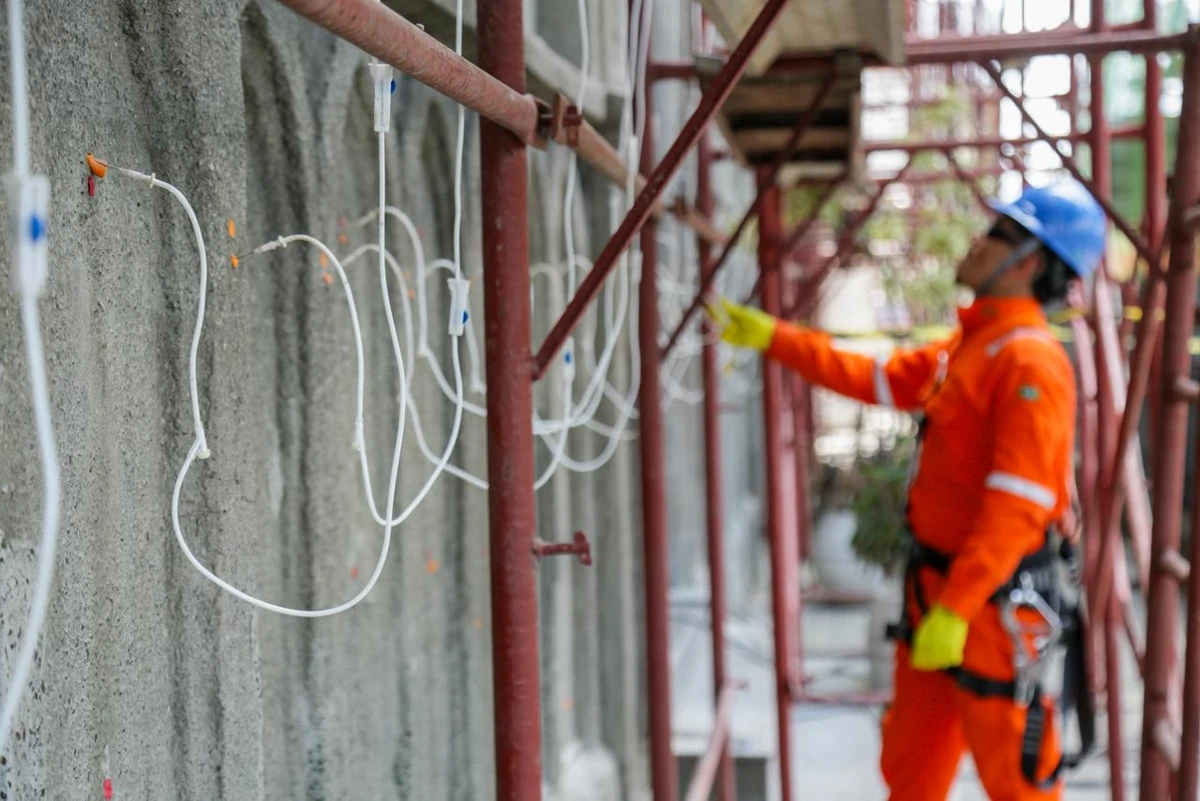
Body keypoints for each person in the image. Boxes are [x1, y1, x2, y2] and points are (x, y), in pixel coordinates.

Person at [711, 179, 1106, 800]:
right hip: (939, 598)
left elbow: (1018, 505)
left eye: (995, 235)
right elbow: (878, 378)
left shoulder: (1029, 364)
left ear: (1028, 262)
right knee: (912, 774)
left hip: (987, 612)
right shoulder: (974, 346)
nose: (976, 244)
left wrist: (958, 606)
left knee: (1019, 784)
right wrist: (774, 338)